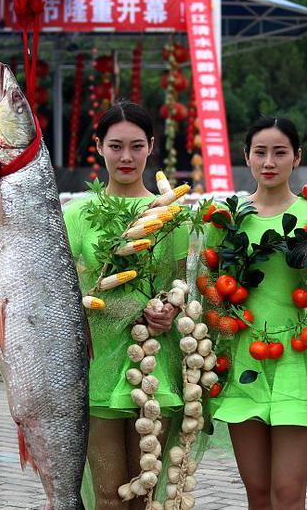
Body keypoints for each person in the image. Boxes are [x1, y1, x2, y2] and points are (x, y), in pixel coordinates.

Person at [205, 117, 307, 510]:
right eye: (260, 152)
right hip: (242, 358)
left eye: (280, 152)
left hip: (297, 355)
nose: (269, 162)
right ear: (247, 157)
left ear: (297, 157)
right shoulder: (229, 217)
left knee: (287, 493)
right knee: (257, 493)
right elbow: (209, 282)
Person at [63, 102, 189, 510]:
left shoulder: (172, 215)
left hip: (153, 362)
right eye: (116, 146)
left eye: (136, 146)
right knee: (107, 496)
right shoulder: (77, 215)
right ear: (99, 147)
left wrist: (172, 308)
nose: (126, 157)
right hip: (96, 360)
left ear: (151, 147)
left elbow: (183, 281)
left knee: (145, 490)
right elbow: (63, 289)